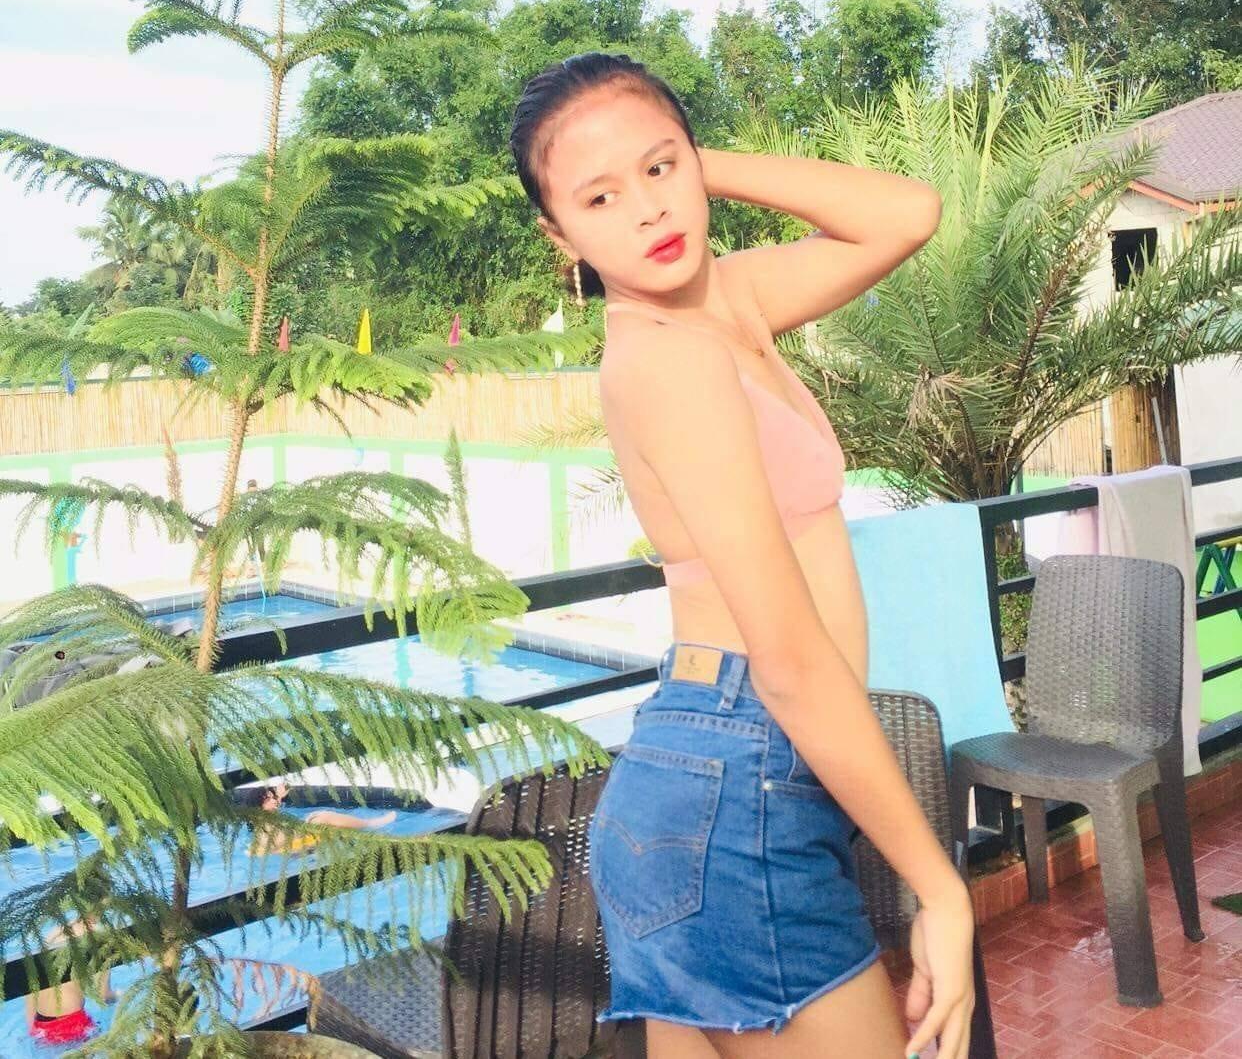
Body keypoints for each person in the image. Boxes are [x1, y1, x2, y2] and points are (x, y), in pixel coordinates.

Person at [509, 52, 974, 1059]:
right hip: (740, 772)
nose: (647, 208)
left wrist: (685, 161)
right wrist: (941, 889)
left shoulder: (726, 302)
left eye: (661, 168)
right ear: (561, 236)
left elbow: (906, 213)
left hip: (701, 777)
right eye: (599, 197)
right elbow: (792, 662)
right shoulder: (666, 358)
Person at [25, 917, 115, 1047]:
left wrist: (32, 1028)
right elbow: (104, 996)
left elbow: (31, 985)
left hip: (41, 1025)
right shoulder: (98, 939)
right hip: (75, 1025)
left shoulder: (56, 932)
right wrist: (120, 995)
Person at [247, 781, 397, 856]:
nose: (274, 801)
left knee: (317, 819)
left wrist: (279, 796)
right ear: (258, 807)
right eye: (268, 799)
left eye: (273, 797)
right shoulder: (265, 827)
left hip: (297, 847)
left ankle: (366, 830)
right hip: (298, 852)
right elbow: (284, 841)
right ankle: (370, 824)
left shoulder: (266, 819)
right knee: (320, 818)